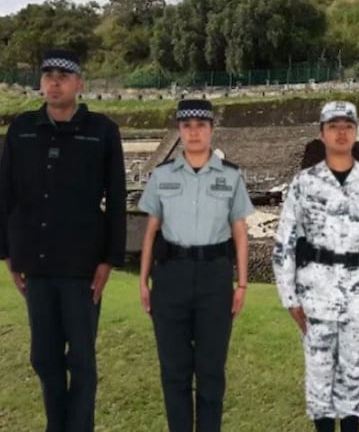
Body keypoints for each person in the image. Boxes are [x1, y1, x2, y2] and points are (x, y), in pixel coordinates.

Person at [0, 48, 126, 432]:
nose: (55, 81)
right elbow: (5, 195)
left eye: (64, 75)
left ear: (79, 83)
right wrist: (8, 254)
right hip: (36, 264)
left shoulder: (102, 131)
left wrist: (109, 259)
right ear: (41, 82)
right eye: (48, 74)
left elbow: (117, 198)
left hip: (82, 267)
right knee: (45, 357)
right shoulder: (21, 129)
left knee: (82, 361)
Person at [273, 101, 359, 432]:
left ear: (356, 132)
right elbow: (285, 243)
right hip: (315, 289)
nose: (341, 132)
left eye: (348, 125)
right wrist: (289, 298)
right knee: (318, 376)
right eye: (334, 126)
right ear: (322, 133)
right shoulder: (304, 184)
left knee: (352, 374)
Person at [137, 99, 253, 432]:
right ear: (179, 130)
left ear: (211, 130)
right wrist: (143, 281)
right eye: (187, 126)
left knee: (211, 369)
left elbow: (240, 233)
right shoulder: (162, 176)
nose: (193, 132)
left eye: (200, 125)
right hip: (170, 275)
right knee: (173, 370)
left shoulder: (230, 177)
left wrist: (242, 284)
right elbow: (151, 230)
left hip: (215, 276)